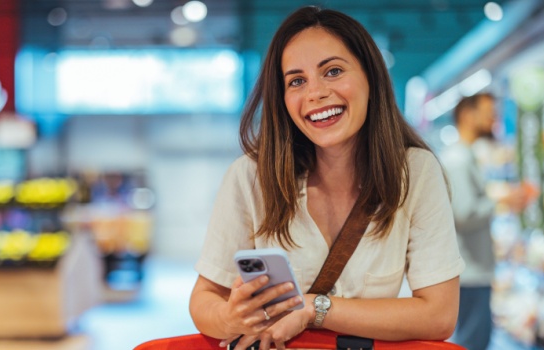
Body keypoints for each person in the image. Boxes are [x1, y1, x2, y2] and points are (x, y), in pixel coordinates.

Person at [188, 6, 465, 350]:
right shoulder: (250, 177)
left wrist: (314, 308)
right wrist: (230, 318)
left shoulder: (416, 172)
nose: (315, 93)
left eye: (333, 71)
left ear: (370, 77)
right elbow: (205, 298)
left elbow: (439, 315)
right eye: (297, 81)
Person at [441, 93, 530, 350]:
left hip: (472, 270)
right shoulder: (458, 160)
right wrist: (502, 201)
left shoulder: (465, 157)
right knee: (472, 342)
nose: (495, 119)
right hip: (470, 272)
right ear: (467, 116)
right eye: (489, 112)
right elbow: (464, 213)